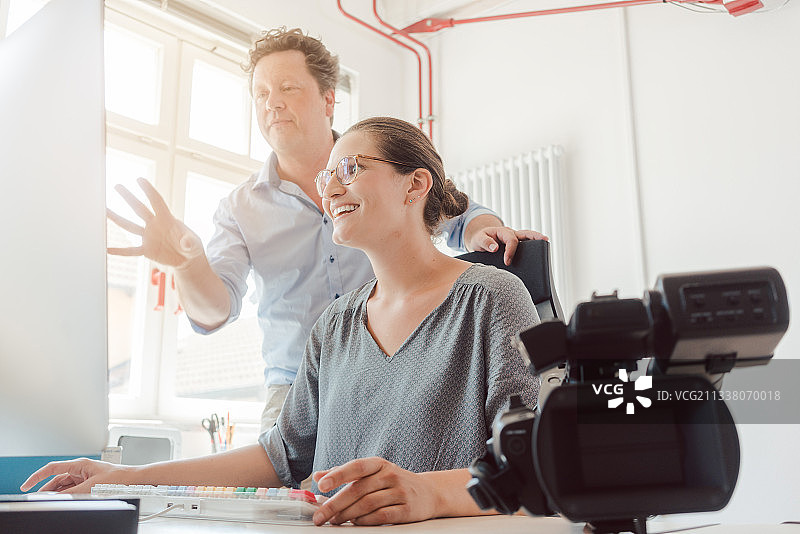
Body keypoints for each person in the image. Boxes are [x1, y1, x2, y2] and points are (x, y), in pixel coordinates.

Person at [23, 117, 541, 526]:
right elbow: (281, 457)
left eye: (351, 169)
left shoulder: (491, 297)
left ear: (416, 185)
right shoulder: (334, 326)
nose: (330, 189)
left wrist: (428, 493)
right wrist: (127, 476)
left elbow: (532, 462)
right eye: (326, 177)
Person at [107, 27, 546, 432]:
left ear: (328, 100)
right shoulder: (240, 208)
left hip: (396, 368)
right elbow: (214, 310)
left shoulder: (382, 163)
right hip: (294, 385)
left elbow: (458, 212)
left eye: (288, 88)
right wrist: (188, 262)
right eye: (260, 93)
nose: (271, 102)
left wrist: (484, 233)